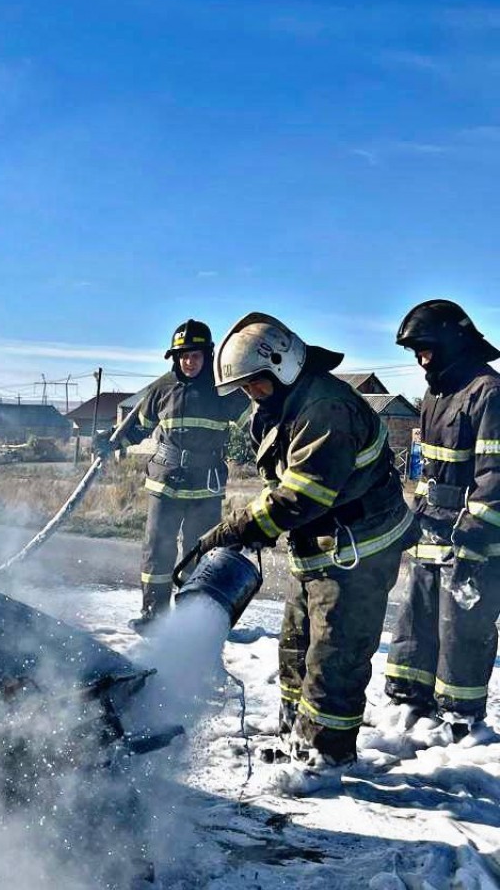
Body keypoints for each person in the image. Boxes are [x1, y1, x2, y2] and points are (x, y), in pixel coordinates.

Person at [192, 312, 413, 770]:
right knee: (295, 650)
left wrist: (237, 528)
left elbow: (302, 495)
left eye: (256, 383)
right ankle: (295, 735)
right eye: (246, 387)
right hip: (318, 547)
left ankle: (325, 758)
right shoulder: (282, 407)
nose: (251, 394)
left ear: (283, 364)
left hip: (358, 551)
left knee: (335, 658)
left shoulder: (325, 408)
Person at [384, 299, 500, 735]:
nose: (420, 359)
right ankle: (409, 709)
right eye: (416, 351)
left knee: (462, 631)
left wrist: (473, 534)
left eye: (426, 348)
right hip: (430, 527)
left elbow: (496, 475)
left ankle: (461, 722)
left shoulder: (488, 392)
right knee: (416, 621)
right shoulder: (437, 393)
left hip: (475, 540)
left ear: (452, 343)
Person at [98, 320, 242, 629]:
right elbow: (137, 426)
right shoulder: (161, 388)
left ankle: (192, 620)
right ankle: (153, 616)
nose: (189, 362)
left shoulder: (225, 391)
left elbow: (256, 423)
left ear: (208, 355)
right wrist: (111, 441)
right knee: (157, 550)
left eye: (196, 356)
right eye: (183, 356)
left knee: (200, 553)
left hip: (206, 486)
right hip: (165, 484)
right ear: (175, 358)